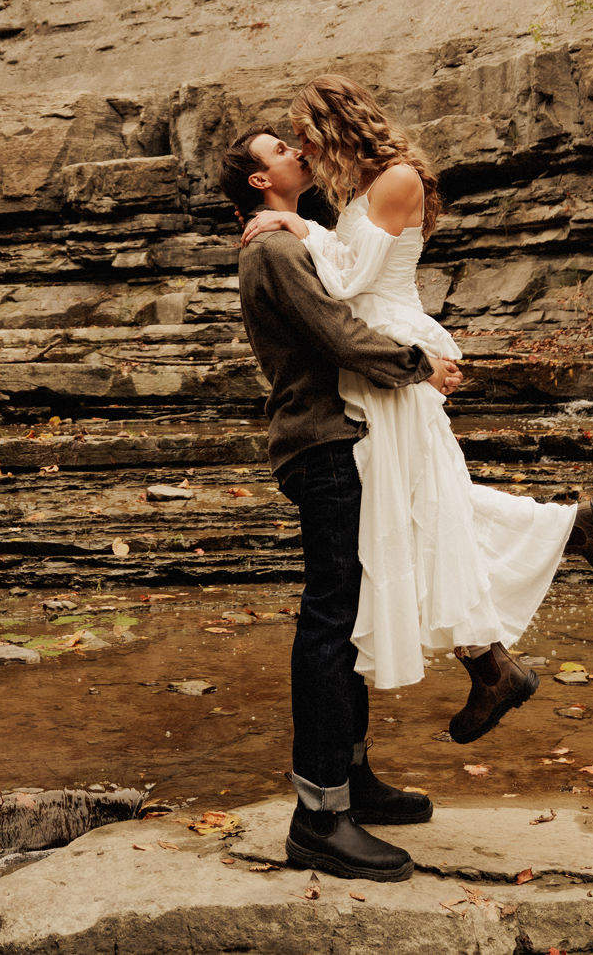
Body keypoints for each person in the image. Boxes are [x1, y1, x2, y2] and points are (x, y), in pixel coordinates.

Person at [239, 77, 593, 746]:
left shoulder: (395, 179)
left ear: (335, 123)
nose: (302, 147)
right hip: (381, 357)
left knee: (415, 503)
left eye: (304, 133)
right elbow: (346, 272)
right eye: (289, 142)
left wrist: (300, 227)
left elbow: (349, 280)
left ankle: (546, 569)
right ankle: (508, 636)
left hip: (391, 351)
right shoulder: (361, 189)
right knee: (418, 502)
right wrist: (307, 228)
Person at [222, 124, 455, 884]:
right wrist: (419, 364)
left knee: (349, 615)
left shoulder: (293, 237)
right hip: (322, 444)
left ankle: (351, 780)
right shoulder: (271, 249)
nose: (297, 152)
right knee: (330, 619)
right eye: (279, 151)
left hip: (337, 438)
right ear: (259, 180)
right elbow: (339, 334)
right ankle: (319, 818)